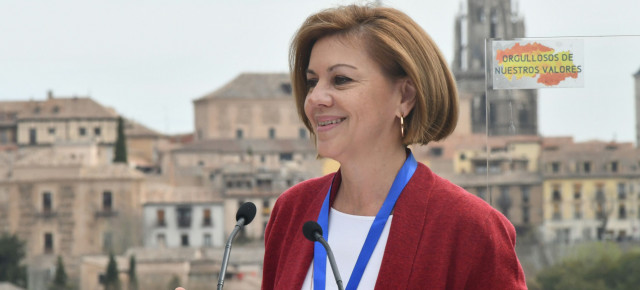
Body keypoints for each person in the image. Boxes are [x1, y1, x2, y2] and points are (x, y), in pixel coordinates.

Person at [262, 4, 527, 290]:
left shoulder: (471, 228)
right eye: (312, 82)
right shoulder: (291, 211)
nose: (315, 98)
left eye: (340, 80)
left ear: (405, 95)